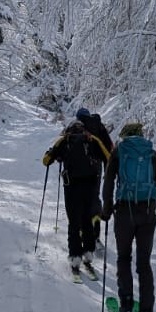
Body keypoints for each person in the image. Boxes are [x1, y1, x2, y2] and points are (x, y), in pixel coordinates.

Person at [102, 120, 156, 312]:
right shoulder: (151, 153)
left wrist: (107, 209)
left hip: (124, 212)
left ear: (124, 135)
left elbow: (108, 183)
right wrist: (151, 196)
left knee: (124, 258)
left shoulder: (119, 152)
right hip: (147, 213)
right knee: (144, 263)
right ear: (141, 134)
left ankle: (126, 307)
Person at [43, 116, 109, 276]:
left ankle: (75, 257)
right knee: (87, 220)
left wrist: (53, 155)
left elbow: (46, 161)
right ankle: (88, 253)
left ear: (70, 129)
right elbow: (108, 157)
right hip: (90, 187)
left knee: (74, 222)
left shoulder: (64, 140)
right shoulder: (91, 139)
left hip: (71, 187)